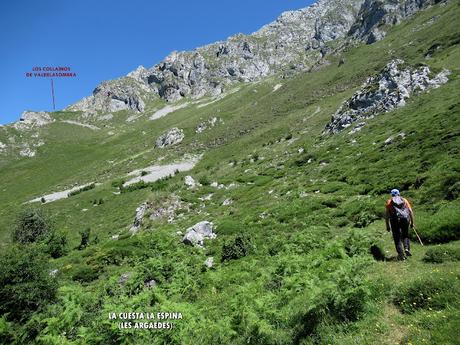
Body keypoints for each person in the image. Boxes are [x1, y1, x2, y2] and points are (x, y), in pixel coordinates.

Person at [385, 189, 415, 260]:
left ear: (391, 194)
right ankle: (406, 248)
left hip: (394, 220)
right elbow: (410, 211)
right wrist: (412, 223)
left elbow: (387, 215)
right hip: (404, 219)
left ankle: (401, 255)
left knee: (397, 237)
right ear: (399, 193)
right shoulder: (404, 200)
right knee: (405, 234)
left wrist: (387, 226)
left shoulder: (389, 202)